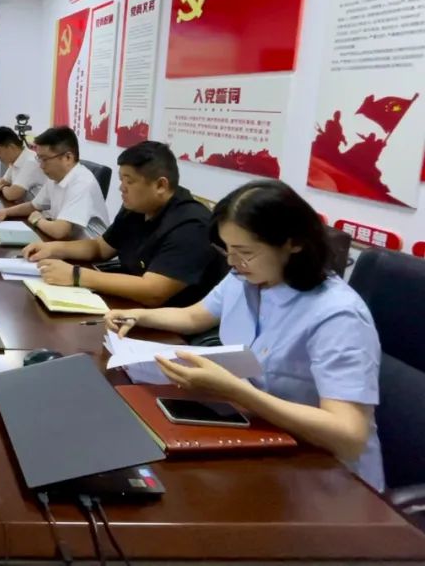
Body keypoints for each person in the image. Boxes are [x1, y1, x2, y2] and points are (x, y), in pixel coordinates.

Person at [103, 180, 384, 491]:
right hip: (261, 433)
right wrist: (138, 315)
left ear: (293, 243)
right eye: (228, 249)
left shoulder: (338, 315)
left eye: (245, 252)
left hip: (326, 474)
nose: (232, 262)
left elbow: (349, 436)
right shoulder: (246, 277)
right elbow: (195, 316)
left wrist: (235, 390)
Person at [24, 141, 225, 306]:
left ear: (160, 185)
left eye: (129, 181)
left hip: (169, 324)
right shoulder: (136, 208)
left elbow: (154, 292)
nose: (121, 188)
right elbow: (101, 248)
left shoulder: (191, 225)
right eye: (121, 180)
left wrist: (75, 275)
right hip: (128, 305)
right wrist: (54, 248)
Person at [0, 126, 108, 240]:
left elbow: (60, 231)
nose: (41, 166)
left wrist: (37, 220)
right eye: (39, 158)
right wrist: (5, 212)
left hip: (91, 251)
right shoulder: (55, 177)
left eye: (45, 159)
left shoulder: (82, 183)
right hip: (68, 243)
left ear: (68, 158)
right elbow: (33, 206)